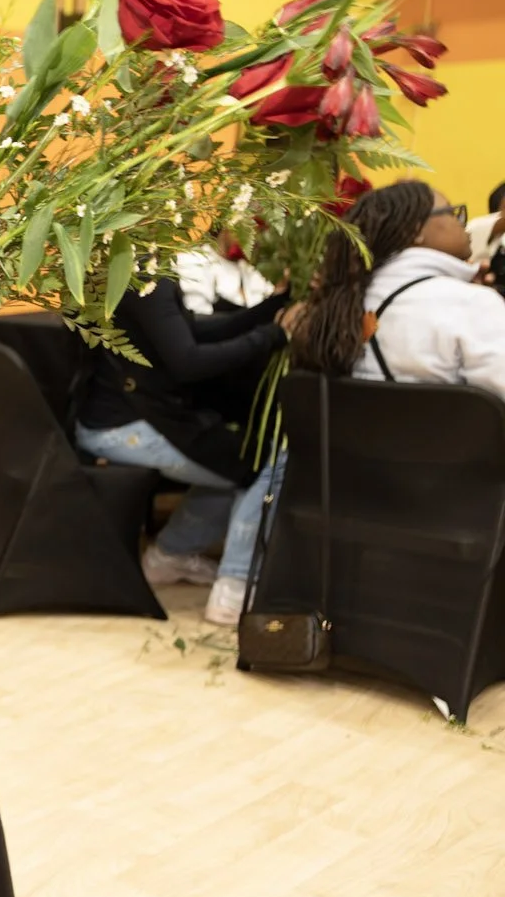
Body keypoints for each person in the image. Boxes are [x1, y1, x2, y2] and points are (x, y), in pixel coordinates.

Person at [73, 267, 299, 627]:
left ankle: (169, 556)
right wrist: (274, 335)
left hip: (114, 417)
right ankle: (234, 590)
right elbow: (189, 362)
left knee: (234, 463)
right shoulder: (143, 272)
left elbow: (186, 330)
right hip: (128, 426)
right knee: (266, 460)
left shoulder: (125, 262)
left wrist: (270, 309)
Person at [293, 180, 505, 396]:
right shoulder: (473, 305)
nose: (462, 222)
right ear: (416, 231)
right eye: (452, 212)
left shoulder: (337, 304)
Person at [174, 229, 274, 315]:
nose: (254, 237)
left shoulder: (251, 272)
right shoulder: (194, 260)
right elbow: (198, 321)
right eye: (250, 229)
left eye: (261, 230)